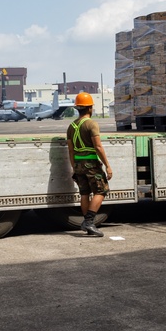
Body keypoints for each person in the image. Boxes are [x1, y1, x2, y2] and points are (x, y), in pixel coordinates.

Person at [67, 92, 113, 237]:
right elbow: (98, 146)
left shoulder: (71, 126)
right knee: (101, 191)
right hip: (91, 164)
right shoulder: (91, 124)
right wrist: (107, 165)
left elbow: (71, 150)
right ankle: (89, 222)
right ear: (90, 108)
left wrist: (74, 167)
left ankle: (88, 224)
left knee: (85, 193)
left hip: (79, 164)